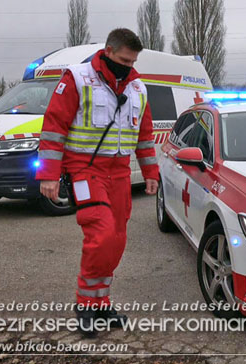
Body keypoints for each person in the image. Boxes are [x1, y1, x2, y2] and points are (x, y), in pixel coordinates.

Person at [36, 28, 159, 336]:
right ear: (107, 50)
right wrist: (49, 175)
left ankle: (101, 303)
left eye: (132, 62)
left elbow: (144, 136)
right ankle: (85, 305)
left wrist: (151, 174)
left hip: (119, 172)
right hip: (84, 169)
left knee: (116, 241)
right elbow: (54, 127)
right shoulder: (77, 78)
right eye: (123, 60)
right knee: (102, 235)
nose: (128, 66)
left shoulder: (138, 89)